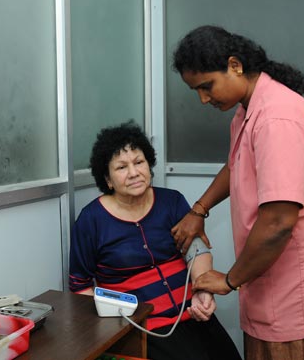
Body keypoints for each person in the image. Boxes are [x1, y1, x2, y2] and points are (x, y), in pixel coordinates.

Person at [170, 24, 304, 360]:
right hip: (272, 284)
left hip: (300, 291)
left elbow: (278, 221)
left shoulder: (277, 118)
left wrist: (229, 280)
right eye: (197, 91)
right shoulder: (248, 108)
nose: (204, 99)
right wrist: (198, 210)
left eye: (207, 86)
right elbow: (236, 164)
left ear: (235, 65)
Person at [69, 121, 242, 360]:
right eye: (121, 167)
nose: (133, 172)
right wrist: (114, 329)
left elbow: (197, 250)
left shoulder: (172, 202)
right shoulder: (91, 220)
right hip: (142, 328)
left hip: (192, 312)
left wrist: (203, 289)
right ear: (107, 179)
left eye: (139, 162)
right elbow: (80, 286)